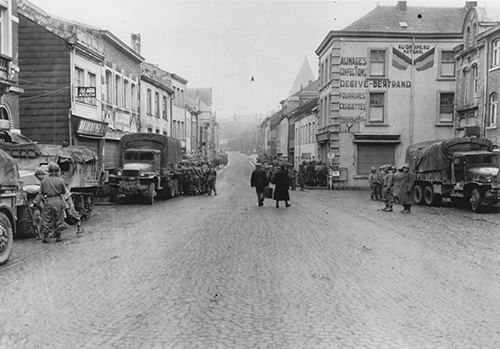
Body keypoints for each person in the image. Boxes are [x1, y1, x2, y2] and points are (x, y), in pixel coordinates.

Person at [32, 163, 67, 243]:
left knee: (47, 218)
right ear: (57, 171)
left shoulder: (44, 181)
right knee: (59, 218)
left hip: (48, 200)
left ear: (49, 171)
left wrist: (35, 202)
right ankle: (58, 237)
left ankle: (46, 237)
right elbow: (63, 191)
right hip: (58, 200)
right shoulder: (61, 180)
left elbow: (41, 193)